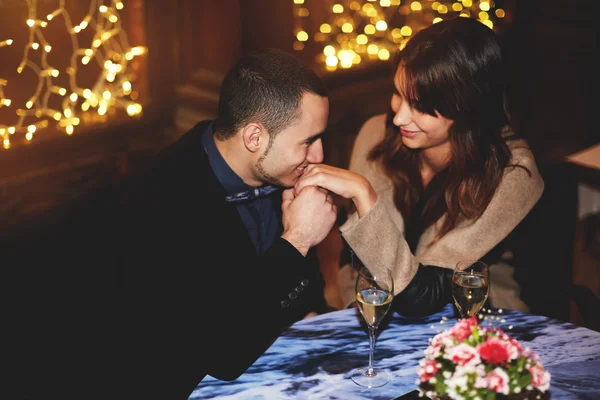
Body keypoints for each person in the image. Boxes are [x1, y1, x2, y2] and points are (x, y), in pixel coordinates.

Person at [2, 48, 337, 400]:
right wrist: (298, 238)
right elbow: (223, 355)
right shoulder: (162, 202)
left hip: (273, 370)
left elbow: (304, 295)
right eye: (308, 141)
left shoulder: (278, 174)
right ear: (254, 138)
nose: (319, 157)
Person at [296, 17, 544, 316]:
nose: (399, 117)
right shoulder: (376, 134)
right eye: (398, 94)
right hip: (384, 317)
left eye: (421, 107)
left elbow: (425, 296)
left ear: (468, 108)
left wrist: (364, 194)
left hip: (476, 325)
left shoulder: (511, 171)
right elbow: (354, 261)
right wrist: (358, 312)